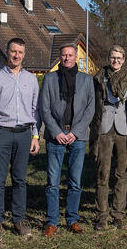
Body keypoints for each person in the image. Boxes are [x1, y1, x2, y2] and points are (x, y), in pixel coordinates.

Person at [0, 38, 40, 241]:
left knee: (20, 180)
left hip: (24, 134)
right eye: (13, 51)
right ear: (7, 52)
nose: (16, 55)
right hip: (1, 133)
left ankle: (18, 220)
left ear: (24, 54)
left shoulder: (31, 80)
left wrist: (35, 135)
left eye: (20, 52)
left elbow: (34, 111)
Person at [39, 44, 96, 236]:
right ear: (60, 57)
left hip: (77, 136)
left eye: (70, 55)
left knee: (75, 180)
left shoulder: (86, 80)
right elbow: (44, 108)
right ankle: (52, 221)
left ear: (75, 57)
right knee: (53, 182)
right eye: (64, 55)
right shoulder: (49, 79)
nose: (67, 58)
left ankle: (72, 219)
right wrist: (56, 132)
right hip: (56, 135)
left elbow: (90, 109)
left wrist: (76, 132)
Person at [89, 45, 127, 231]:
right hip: (104, 129)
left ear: (124, 59)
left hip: (124, 130)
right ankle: (101, 215)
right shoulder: (98, 78)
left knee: (121, 175)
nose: (116, 61)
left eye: (119, 58)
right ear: (108, 58)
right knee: (102, 174)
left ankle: (118, 215)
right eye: (113, 57)